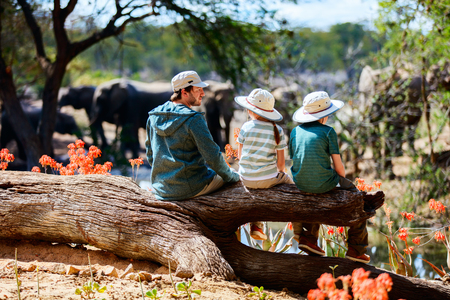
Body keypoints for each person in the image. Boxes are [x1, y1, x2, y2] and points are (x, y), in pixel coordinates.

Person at [289, 91, 370, 263]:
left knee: (313, 195)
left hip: (300, 183)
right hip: (324, 182)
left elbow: (296, 159)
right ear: (324, 117)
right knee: (358, 199)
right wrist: (343, 183)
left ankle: (308, 238)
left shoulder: (295, 131)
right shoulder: (328, 132)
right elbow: (338, 165)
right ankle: (356, 248)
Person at [145, 70, 240, 200]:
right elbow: (212, 157)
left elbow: (151, 156)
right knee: (232, 176)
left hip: (161, 189)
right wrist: (232, 176)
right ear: (184, 92)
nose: (203, 93)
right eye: (198, 90)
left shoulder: (153, 116)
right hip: (191, 188)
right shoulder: (194, 119)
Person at [234, 88, 295, 240]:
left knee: (255, 189)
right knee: (289, 181)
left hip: (245, 179)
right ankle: (300, 230)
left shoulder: (246, 127)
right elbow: (281, 164)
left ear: (251, 111)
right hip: (268, 179)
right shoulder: (278, 130)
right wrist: (280, 175)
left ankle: (256, 225)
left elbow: (240, 157)